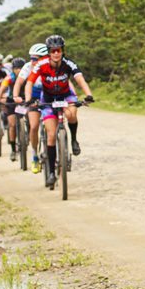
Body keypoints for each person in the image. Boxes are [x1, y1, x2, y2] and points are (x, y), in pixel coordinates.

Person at [23, 35, 94, 187]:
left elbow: (80, 79)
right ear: (49, 51)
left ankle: (74, 140)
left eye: (59, 50)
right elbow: (29, 83)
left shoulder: (68, 63)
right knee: (51, 134)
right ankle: (50, 172)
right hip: (48, 98)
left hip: (66, 95)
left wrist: (88, 95)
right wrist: (28, 99)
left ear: (63, 50)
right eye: (53, 50)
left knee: (71, 114)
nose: (56, 53)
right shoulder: (41, 64)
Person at [13, 43, 48, 173]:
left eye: (35, 59)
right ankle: (35, 155)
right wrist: (16, 95)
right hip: (33, 97)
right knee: (33, 127)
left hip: (48, 96)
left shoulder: (51, 66)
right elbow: (19, 82)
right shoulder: (28, 67)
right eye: (31, 58)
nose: (32, 61)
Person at [0, 57, 26, 161]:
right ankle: (13, 150)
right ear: (13, 69)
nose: (19, 70)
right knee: (12, 125)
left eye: (21, 68)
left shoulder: (27, 77)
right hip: (11, 101)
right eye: (17, 68)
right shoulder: (9, 78)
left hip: (24, 100)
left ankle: (26, 134)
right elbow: (2, 89)